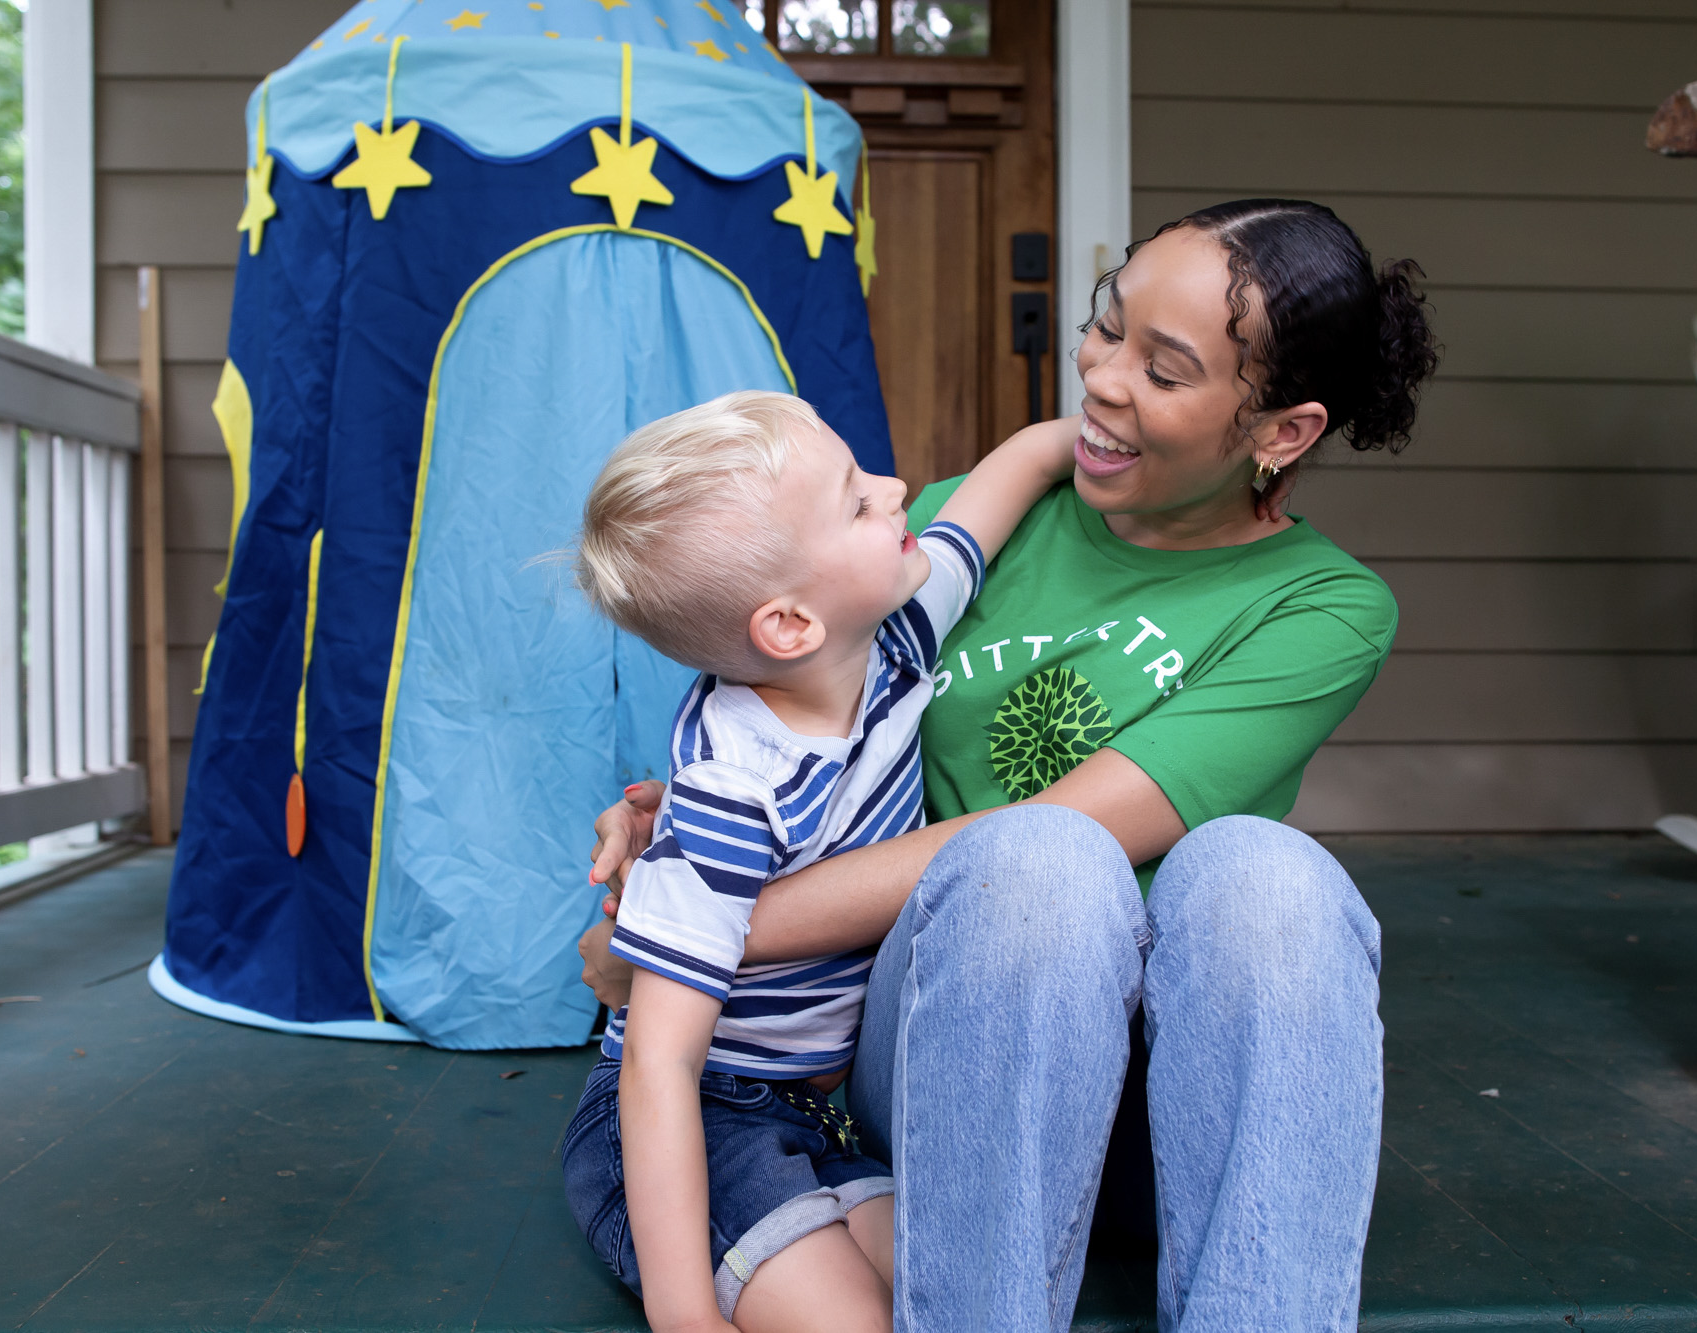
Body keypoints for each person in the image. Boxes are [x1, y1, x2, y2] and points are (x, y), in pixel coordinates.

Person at [581, 199, 1441, 1331]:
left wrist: (661, 937)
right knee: (1033, 869)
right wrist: (670, 825)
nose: (1102, 375)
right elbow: (795, 736)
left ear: (1279, 431)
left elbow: (1081, 824)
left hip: (1165, 1112)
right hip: (954, 1070)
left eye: (1164, 369)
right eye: (1106, 323)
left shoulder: (1323, 608)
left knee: (1258, 873)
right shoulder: (957, 534)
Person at [560, 389, 1078, 1333]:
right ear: (792, 624)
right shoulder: (732, 788)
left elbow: (991, 498)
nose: (899, 488)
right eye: (857, 499)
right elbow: (659, 1063)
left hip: (823, 1120)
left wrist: (1070, 439)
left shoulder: (890, 636)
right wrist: (686, 1316)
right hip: (704, 1122)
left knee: (953, 1292)